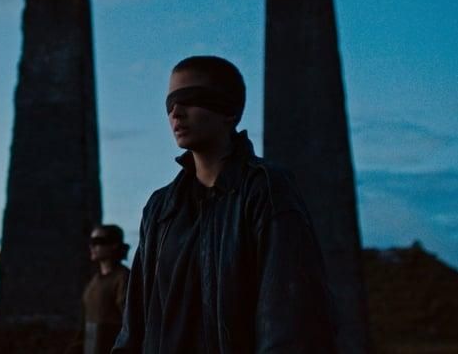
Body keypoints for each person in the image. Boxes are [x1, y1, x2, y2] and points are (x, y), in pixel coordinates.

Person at [112, 56, 336, 353]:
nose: (176, 112)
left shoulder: (266, 190)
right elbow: (134, 325)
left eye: (191, 99)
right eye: (170, 103)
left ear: (228, 111)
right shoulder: (160, 208)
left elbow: (290, 317)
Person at [82, 225, 130, 354]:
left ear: (114, 245)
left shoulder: (124, 278)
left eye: (97, 242)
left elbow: (130, 322)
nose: (91, 246)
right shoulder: (94, 281)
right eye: (91, 242)